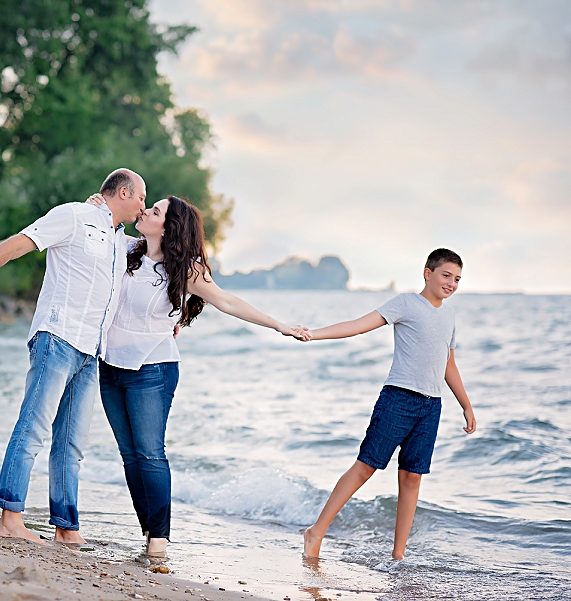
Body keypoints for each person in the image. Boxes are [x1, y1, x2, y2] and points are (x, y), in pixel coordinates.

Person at [88, 193, 307, 556]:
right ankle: (148, 529)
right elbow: (91, 238)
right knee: (129, 455)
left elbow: (228, 301)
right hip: (110, 365)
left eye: (155, 210)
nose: (145, 211)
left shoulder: (185, 269)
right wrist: (94, 205)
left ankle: (158, 540)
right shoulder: (123, 248)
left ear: (168, 227)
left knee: (150, 454)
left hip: (152, 369)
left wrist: (278, 325)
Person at [0, 169, 146, 545]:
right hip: (57, 338)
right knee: (33, 428)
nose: (144, 206)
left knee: (71, 445)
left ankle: (66, 528)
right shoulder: (74, 216)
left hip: (90, 352)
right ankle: (10, 517)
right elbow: (18, 244)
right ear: (124, 191)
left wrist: (174, 320)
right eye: (141, 198)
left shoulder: (121, 241)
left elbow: (154, 279)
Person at [301, 248, 477, 560]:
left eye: (457, 279)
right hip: (398, 398)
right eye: (446, 275)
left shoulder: (449, 317)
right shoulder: (406, 303)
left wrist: (465, 404)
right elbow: (358, 325)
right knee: (365, 467)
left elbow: (448, 363)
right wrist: (314, 335)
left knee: (412, 477)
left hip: (431, 407)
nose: (451, 283)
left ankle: (399, 554)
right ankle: (316, 532)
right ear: (428, 273)